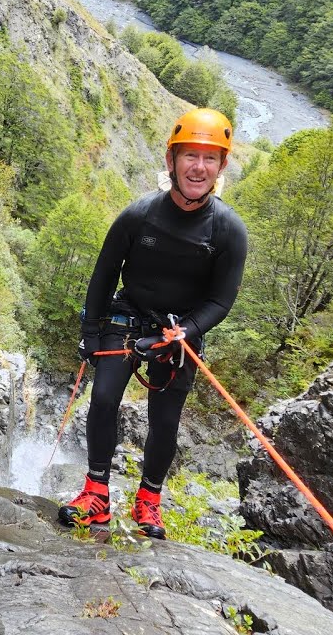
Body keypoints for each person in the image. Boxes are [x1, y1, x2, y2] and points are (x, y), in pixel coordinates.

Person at [58, 108, 247, 539]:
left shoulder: (228, 230)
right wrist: (90, 335)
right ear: (171, 160)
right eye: (190, 156)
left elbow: (221, 299)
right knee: (103, 398)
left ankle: (149, 501)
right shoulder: (138, 215)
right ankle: (96, 495)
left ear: (221, 166)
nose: (198, 167)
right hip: (129, 315)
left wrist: (188, 331)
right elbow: (104, 276)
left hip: (180, 329)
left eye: (210, 158)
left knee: (166, 419)